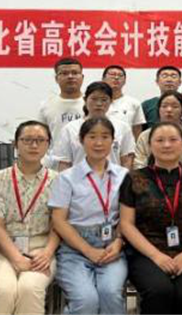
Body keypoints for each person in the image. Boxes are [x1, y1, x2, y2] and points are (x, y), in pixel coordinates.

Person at [120, 121, 182, 314]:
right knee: (160, 291)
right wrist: (156, 256)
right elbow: (127, 224)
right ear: (149, 145)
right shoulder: (134, 178)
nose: (167, 145)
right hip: (145, 253)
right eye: (160, 140)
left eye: (173, 140)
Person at [0, 120, 60, 315]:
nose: (34, 145)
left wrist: (47, 253)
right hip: (0, 250)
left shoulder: (58, 181)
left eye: (40, 140)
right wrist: (15, 257)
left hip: (41, 250)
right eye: (27, 140)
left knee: (29, 289)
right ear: (15, 144)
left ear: (48, 145)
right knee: (3, 290)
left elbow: (58, 224)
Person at [49, 117, 128, 315]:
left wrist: (118, 243)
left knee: (110, 294)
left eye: (105, 137)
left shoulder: (124, 176)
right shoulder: (66, 178)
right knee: (86, 300)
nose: (98, 143)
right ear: (81, 140)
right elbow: (58, 220)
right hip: (74, 248)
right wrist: (88, 250)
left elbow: (127, 217)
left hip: (112, 246)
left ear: (113, 141)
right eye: (92, 137)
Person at [54, 81, 135, 171]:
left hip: (112, 178)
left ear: (111, 101)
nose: (99, 104)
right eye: (94, 99)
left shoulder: (122, 128)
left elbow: (126, 161)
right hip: (79, 179)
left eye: (104, 100)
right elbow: (65, 163)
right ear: (85, 100)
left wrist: (124, 179)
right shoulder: (70, 129)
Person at [133, 91, 182, 175]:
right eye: (164, 106)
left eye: (175, 106)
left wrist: (173, 176)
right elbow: (138, 166)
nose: (169, 110)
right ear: (158, 110)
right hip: (150, 180)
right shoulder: (145, 136)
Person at [38, 57, 85, 169]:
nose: (70, 76)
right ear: (56, 78)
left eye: (75, 73)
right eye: (64, 73)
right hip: (55, 166)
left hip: (86, 164)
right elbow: (40, 138)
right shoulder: (46, 106)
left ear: (82, 77)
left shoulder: (93, 104)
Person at [102, 65, 146, 140]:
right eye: (112, 74)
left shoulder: (134, 103)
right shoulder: (95, 102)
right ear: (103, 79)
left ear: (125, 81)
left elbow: (137, 131)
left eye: (120, 75)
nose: (116, 77)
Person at [141, 66, 182, 131]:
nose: (169, 80)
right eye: (164, 76)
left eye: (173, 76)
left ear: (180, 82)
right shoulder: (147, 105)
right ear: (157, 81)